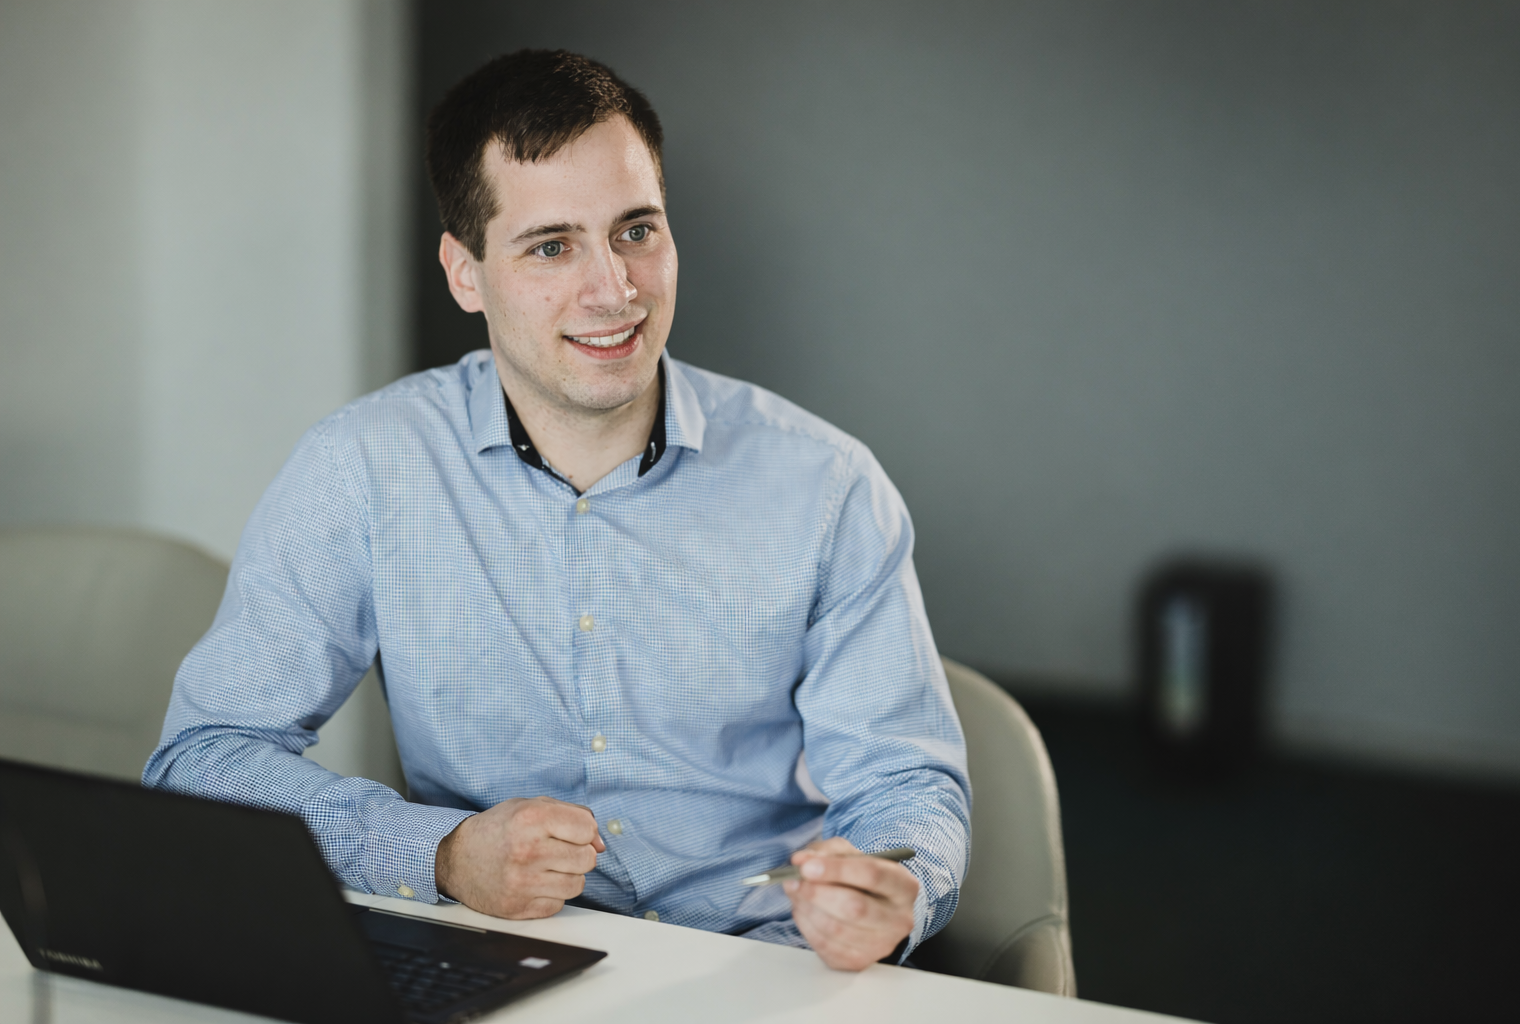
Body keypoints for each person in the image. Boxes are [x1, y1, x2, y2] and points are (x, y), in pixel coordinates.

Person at [145, 49, 969, 972]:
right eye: (551, 246)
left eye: (636, 231)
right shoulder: (364, 468)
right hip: (498, 958)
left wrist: (892, 887)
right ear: (466, 273)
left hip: (763, 967)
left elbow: (906, 784)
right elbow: (205, 759)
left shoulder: (828, 484)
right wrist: (442, 853)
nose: (614, 291)